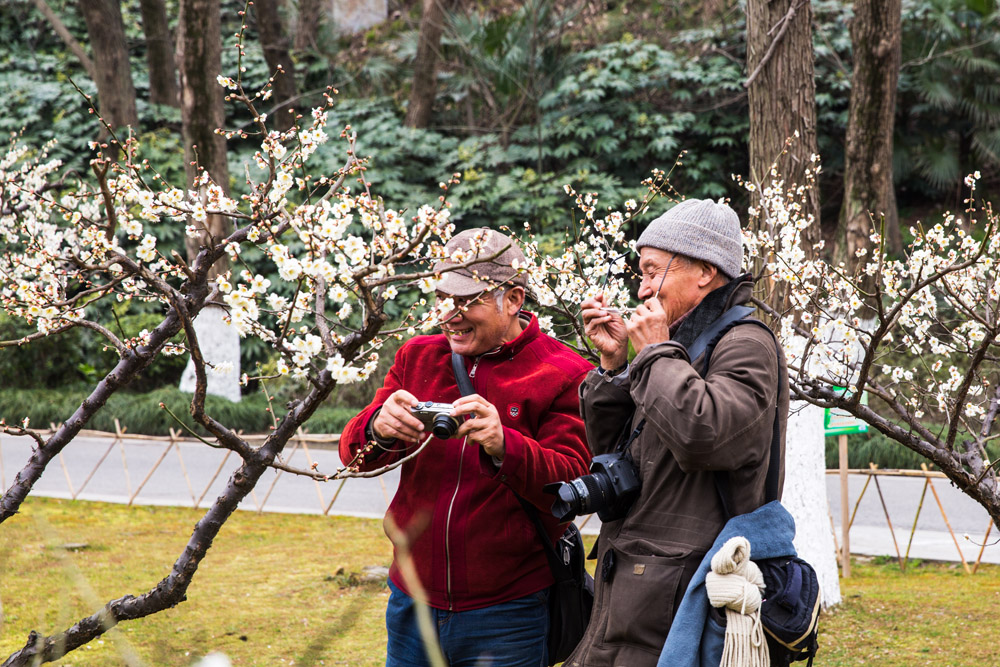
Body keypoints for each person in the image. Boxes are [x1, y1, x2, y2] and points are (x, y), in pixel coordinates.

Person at [339, 228, 593, 667]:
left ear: (513, 299)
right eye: (443, 298)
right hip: (411, 602)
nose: (449, 316)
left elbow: (573, 482)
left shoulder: (565, 372)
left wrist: (503, 445)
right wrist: (377, 428)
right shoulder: (416, 356)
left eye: (467, 300)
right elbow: (353, 459)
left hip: (509, 610)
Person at [567, 198, 789, 667]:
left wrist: (652, 354)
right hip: (634, 589)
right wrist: (614, 365)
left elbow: (706, 436)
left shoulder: (746, 343)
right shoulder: (675, 344)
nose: (643, 287)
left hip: (685, 596)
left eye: (652, 270)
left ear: (705, 272)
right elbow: (614, 452)